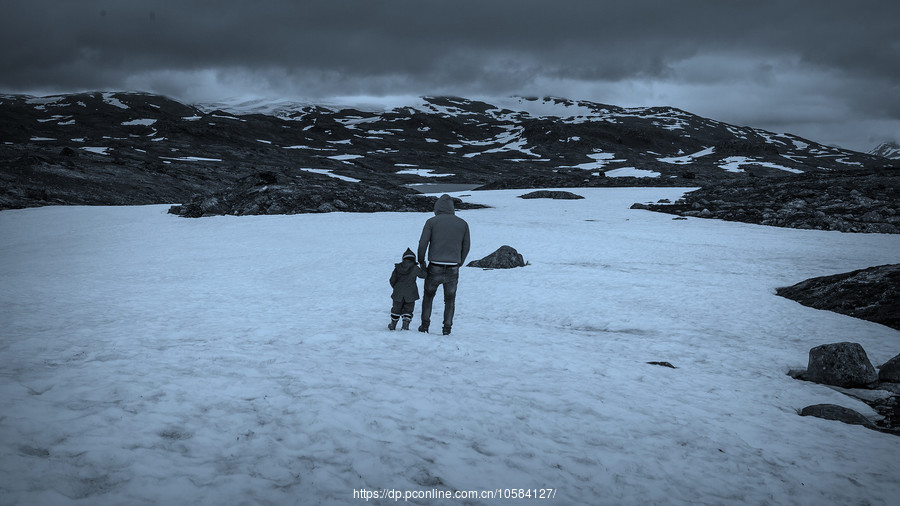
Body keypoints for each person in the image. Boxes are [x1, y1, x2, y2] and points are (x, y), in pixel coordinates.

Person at [417, 194, 471, 335]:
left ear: (437, 208)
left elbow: (423, 243)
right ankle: (447, 328)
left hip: (434, 265)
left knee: (428, 297)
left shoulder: (431, 222)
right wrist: (460, 261)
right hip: (453, 266)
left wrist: (421, 261)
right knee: (450, 300)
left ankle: (424, 326)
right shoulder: (463, 223)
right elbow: (466, 246)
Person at [388, 248, 426, 330]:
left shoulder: (397, 268)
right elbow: (423, 275)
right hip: (411, 293)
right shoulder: (415, 268)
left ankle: (393, 324)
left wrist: (396, 288)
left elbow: (392, 280)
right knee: (408, 309)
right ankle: (405, 325)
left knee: (396, 308)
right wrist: (423, 267)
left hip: (398, 292)